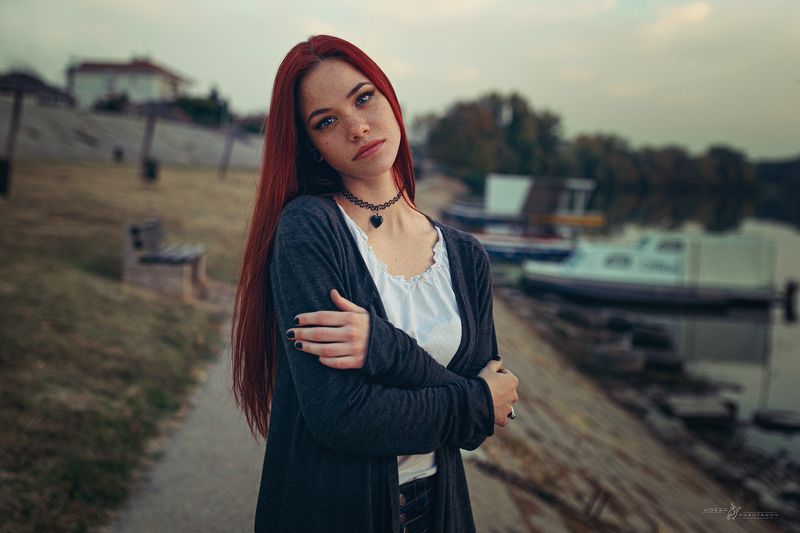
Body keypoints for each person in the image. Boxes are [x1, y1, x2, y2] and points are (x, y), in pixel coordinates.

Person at [231, 34, 520, 533]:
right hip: (332, 510)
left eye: (364, 97)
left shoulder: (466, 256)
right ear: (313, 147)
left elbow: (486, 418)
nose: (357, 126)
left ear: (391, 98)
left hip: (440, 509)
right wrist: (465, 397)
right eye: (327, 121)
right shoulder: (310, 228)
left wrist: (385, 353)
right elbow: (341, 418)